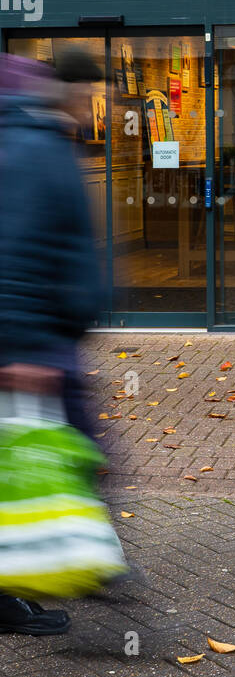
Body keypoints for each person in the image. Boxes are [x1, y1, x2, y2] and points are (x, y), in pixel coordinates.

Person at [0, 50, 105, 634]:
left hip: (48, 336)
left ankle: (84, 567)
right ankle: (90, 571)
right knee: (69, 452)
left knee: (63, 451)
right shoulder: (33, 149)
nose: (99, 104)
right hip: (38, 343)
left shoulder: (42, 144)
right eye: (92, 91)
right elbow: (14, 253)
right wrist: (22, 347)